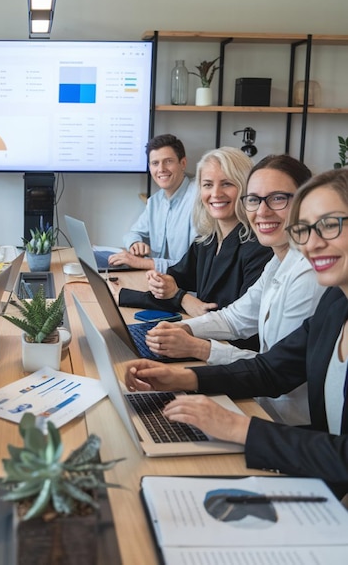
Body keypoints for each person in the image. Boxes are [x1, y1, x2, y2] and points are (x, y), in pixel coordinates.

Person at [124, 167, 348, 499]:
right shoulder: (336, 302)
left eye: (330, 225)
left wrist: (238, 427)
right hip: (317, 465)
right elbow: (273, 368)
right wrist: (182, 379)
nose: (312, 244)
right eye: (304, 229)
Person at [142, 154, 324, 425]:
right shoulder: (279, 259)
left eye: (278, 198)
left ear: (305, 203)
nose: (262, 211)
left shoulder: (309, 276)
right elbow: (235, 317)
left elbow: (274, 368)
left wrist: (199, 348)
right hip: (257, 403)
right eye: (254, 199)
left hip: (286, 420)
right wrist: (185, 330)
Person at [119, 147, 273, 330]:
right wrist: (128, 293)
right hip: (205, 336)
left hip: (228, 348)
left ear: (246, 188)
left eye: (227, 184)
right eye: (208, 185)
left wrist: (180, 296)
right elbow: (175, 282)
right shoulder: (207, 240)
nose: (215, 194)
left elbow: (236, 321)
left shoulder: (260, 247)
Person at [109, 134, 196, 272]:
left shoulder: (199, 199)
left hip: (186, 288)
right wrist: (135, 243)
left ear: (183, 163)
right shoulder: (155, 202)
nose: (161, 169)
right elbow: (133, 233)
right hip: (158, 280)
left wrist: (142, 263)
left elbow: (191, 266)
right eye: (155, 163)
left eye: (168, 161)